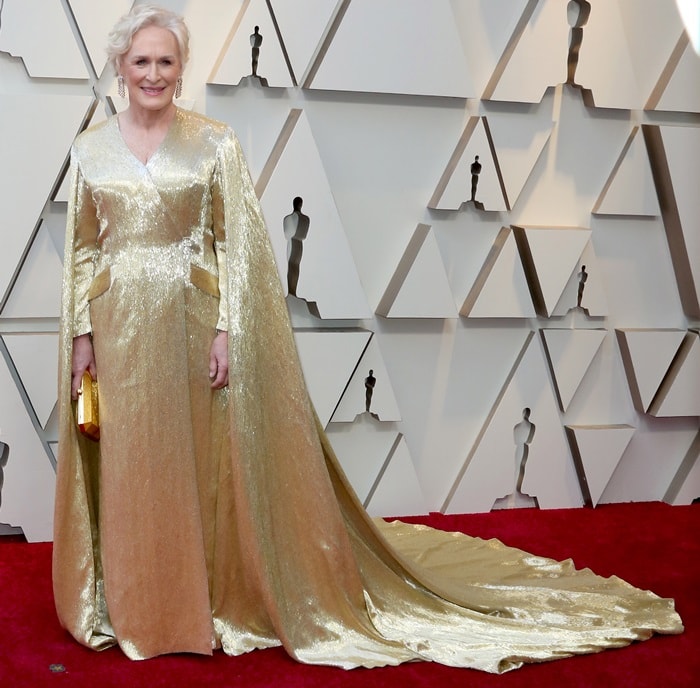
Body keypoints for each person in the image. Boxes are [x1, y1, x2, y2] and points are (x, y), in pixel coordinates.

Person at [53, 3, 682, 671]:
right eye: (142, 61)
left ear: (181, 69)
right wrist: (82, 338)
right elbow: (86, 249)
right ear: (121, 67)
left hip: (191, 324)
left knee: (196, 465)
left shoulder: (214, 142)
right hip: (119, 329)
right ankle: (135, 603)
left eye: (166, 61)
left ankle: (198, 601)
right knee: (131, 468)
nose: (154, 73)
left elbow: (237, 245)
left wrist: (231, 330)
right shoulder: (90, 148)